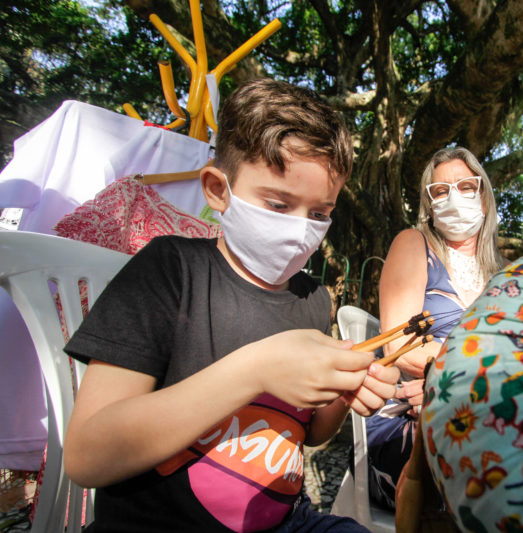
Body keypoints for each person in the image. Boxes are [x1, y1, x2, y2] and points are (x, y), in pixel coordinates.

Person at [62, 78, 400, 532]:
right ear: (218, 190)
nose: (302, 230)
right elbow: (87, 456)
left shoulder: (314, 300)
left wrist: (344, 391)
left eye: (320, 213)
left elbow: (311, 433)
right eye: (278, 204)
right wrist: (255, 370)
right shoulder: (171, 271)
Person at [366, 146, 505, 509]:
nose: (453, 197)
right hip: (412, 419)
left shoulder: (506, 275)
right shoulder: (414, 245)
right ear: (428, 206)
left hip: (487, 408)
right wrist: (467, 379)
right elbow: (401, 345)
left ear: (485, 199)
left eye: (465, 186)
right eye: (440, 191)